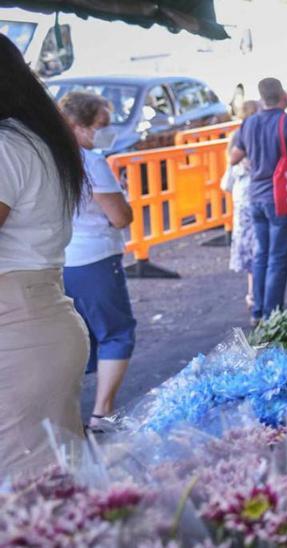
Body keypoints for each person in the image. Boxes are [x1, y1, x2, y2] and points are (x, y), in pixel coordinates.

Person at [0, 35, 90, 475]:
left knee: (25, 502)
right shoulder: (33, 139)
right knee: (55, 491)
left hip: (19, 336)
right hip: (41, 324)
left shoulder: (4, 147)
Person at [57, 91, 137, 433]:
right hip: (96, 259)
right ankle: (103, 414)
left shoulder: (49, 157)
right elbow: (120, 217)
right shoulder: (91, 163)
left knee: (78, 339)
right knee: (117, 334)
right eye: (101, 125)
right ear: (79, 125)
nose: (106, 131)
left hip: (61, 260)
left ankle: (68, 415)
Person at [230, 78, 287, 324]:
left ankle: (257, 312)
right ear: (283, 96)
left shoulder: (249, 123)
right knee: (278, 258)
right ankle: (271, 315)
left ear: (261, 98)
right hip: (280, 199)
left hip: (255, 197)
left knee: (261, 255)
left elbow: (234, 157)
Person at [221, 100, 261, 310]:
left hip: (242, 199)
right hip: (256, 196)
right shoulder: (256, 134)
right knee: (261, 248)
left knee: (251, 252)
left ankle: (253, 295)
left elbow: (230, 169)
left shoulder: (236, 137)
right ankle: (256, 296)